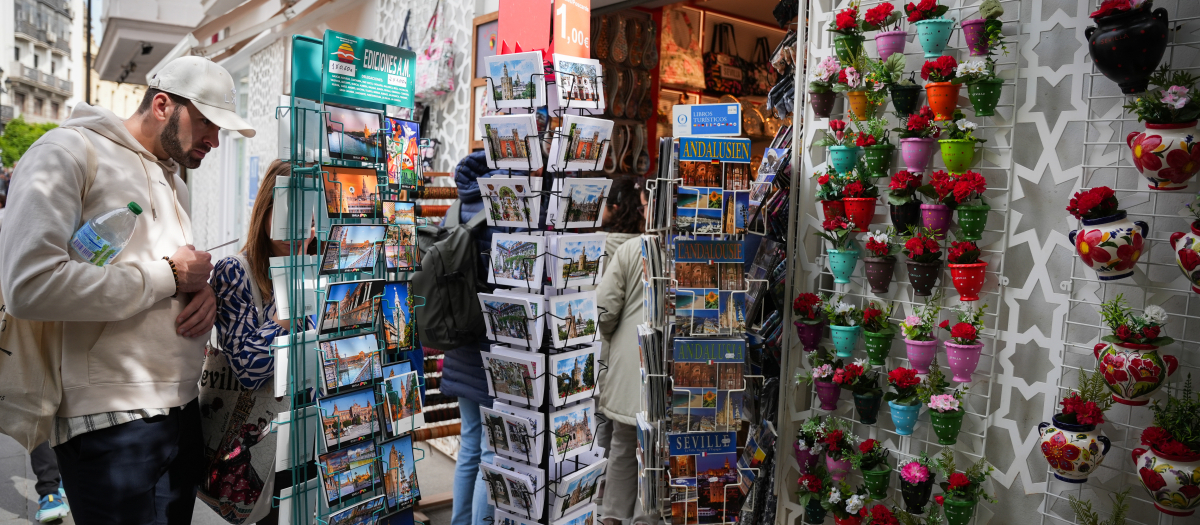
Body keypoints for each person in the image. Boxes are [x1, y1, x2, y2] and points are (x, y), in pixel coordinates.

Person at [0, 55, 255, 524]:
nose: (216, 141)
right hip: (109, 422)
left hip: (178, 412)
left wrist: (202, 293)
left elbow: (171, 272)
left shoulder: (170, 178)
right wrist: (170, 278)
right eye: (207, 124)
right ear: (162, 105)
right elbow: (29, 285)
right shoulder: (67, 152)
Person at [208, 160, 314, 525]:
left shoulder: (324, 269)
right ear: (265, 208)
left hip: (311, 438)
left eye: (310, 216)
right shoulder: (235, 272)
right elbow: (249, 370)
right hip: (261, 442)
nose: (297, 228)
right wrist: (293, 298)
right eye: (287, 213)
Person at [442, 150, 501, 525]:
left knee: (469, 443)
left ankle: (459, 521)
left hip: (459, 340)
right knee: (492, 450)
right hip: (492, 343)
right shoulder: (500, 210)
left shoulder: (455, 208)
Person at [596, 183, 650, 525]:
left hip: (631, 368)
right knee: (657, 455)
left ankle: (612, 518)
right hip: (677, 371)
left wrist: (613, 337)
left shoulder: (632, 249)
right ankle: (645, 518)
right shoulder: (696, 250)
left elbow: (604, 309)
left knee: (623, 446)